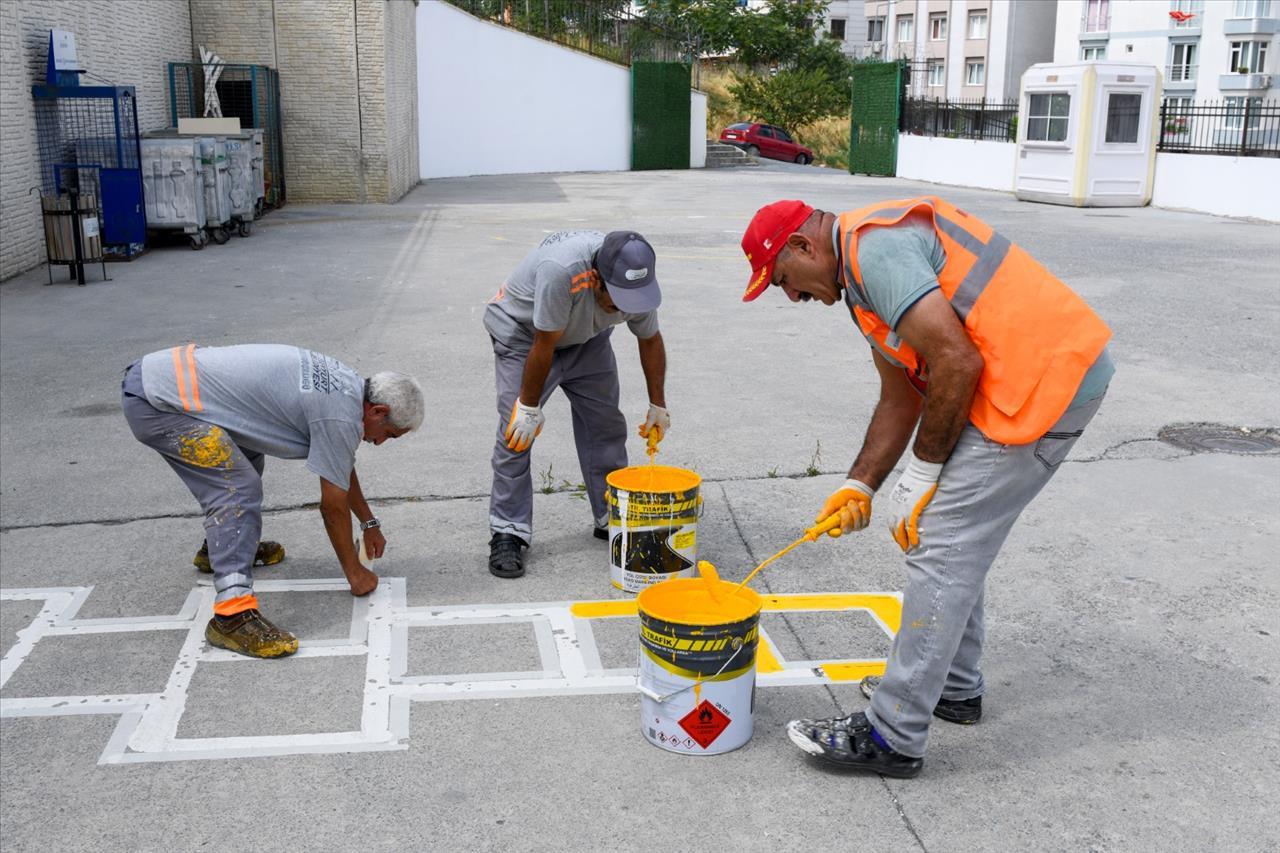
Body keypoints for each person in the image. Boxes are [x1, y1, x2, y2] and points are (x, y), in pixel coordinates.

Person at [739, 197, 1113, 778]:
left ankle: (894, 733)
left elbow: (956, 363)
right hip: (1019, 378)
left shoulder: (875, 251)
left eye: (785, 281)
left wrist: (923, 473)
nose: (792, 297)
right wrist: (859, 484)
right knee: (947, 539)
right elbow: (902, 395)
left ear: (803, 246)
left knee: (940, 544)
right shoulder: (858, 283)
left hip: (1042, 383)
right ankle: (954, 689)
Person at [121, 344, 424, 658]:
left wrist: (369, 522)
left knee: (247, 459)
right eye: (388, 434)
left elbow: (339, 465)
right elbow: (332, 506)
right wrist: (355, 574)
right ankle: (232, 616)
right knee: (237, 487)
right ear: (377, 412)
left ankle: (220, 552)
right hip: (159, 402)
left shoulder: (348, 387)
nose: (378, 442)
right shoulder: (341, 417)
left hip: (163, 379)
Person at [485, 229, 670, 579]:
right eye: (616, 299)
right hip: (524, 335)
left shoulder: (636, 285)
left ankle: (610, 515)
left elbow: (650, 339)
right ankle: (508, 529)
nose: (623, 308)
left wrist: (658, 404)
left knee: (606, 425)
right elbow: (544, 344)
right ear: (596, 278)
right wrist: (528, 408)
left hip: (587, 335)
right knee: (516, 433)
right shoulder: (563, 271)